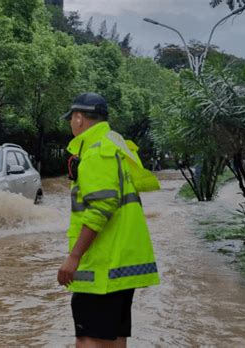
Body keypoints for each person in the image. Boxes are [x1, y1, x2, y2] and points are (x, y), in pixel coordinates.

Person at [57, 92, 160, 348]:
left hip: (103, 266)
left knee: (88, 339)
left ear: (79, 118)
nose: (71, 123)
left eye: (71, 118)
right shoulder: (116, 147)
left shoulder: (95, 152)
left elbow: (102, 206)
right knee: (113, 339)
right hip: (120, 265)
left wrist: (74, 256)